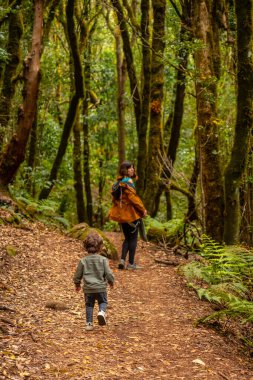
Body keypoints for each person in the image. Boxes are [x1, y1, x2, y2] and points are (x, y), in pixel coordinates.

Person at [109, 161, 147, 270]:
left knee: (127, 238)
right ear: (125, 170)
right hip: (130, 215)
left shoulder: (118, 183)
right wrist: (142, 209)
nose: (132, 170)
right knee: (133, 239)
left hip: (121, 215)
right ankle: (130, 264)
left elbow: (115, 200)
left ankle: (122, 260)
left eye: (133, 168)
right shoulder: (128, 182)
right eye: (130, 168)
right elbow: (133, 199)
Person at [73, 232, 114, 331]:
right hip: (101, 288)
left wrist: (77, 284)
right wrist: (111, 282)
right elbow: (108, 273)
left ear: (86, 247)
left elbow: (77, 275)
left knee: (89, 305)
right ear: (100, 247)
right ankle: (101, 312)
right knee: (103, 301)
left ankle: (89, 324)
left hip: (88, 289)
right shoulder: (103, 260)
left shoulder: (83, 261)